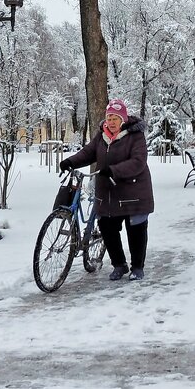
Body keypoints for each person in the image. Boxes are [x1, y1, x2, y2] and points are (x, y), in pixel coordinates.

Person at [59, 98, 154, 281]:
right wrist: (70, 161)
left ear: (123, 120)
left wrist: (114, 170)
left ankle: (137, 267)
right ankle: (119, 264)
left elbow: (138, 162)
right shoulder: (101, 136)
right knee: (106, 226)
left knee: (135, 229)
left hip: (133, 191)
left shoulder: (135, 136)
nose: (111, 122)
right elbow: (88, 153)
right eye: (109, 117)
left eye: (115, 118)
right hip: (108, 192)